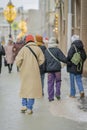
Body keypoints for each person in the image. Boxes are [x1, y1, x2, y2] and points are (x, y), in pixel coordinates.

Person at [15, 34, 45, 114]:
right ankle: (29, 108)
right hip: (34, 72)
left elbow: (18, 61)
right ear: (33, 40)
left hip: (25, 72)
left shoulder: (23, 49)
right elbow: (42, 60)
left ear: (26, 40)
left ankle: (24, 105)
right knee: (32, 90)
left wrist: (21, 66)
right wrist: (36, 64)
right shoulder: (38, 49)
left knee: (24, 88)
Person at [45, 37, 67, 101]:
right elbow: (63, 59)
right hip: (57, 70)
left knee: (50, 83)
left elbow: (45, 61)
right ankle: (57, 94)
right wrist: (69, 62)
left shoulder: (46, 51)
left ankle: (50, 97)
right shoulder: (58, 50)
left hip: (49, 70)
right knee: (58, 82)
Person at [67, 34, 86, 99]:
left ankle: (72, 94)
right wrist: (80, 62)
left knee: (72, 81)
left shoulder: (73, 47)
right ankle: (81, 91)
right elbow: (84, 56)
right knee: (79, 80)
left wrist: (70, 62)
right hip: (79, 67)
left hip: (72, 67)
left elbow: (69, 56)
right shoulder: (82, 47)